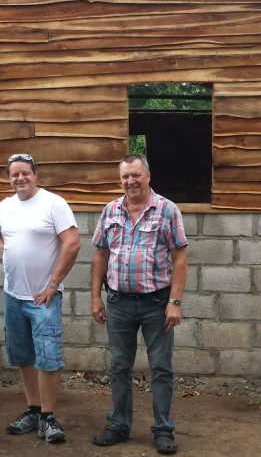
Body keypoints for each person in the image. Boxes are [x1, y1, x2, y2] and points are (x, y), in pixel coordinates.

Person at [89, 155, 188, 455]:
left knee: (161, 368)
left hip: (157, 302)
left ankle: (163, 430)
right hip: (118, 301)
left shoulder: (167, 210)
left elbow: (180, 257)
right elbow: (100, 256)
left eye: (135, 175)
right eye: (125, 177)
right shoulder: (110, 211)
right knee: (119, 367)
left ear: (148, 176)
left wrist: (175, 302)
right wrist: (95, 296)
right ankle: (119, 425)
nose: (130, 181)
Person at [0, 152, 80, 444]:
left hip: (43, 298)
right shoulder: (6, 205)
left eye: (25, 172)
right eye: (14, 174)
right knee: (24, 356)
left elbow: (73, 242)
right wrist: (1, 248)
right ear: (9, 177)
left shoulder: (54, 203)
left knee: (48, 358)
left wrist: (54, 283)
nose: (20, 178)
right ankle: (34, 410)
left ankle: (49, 417)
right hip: (13, 295)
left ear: (35, 174)